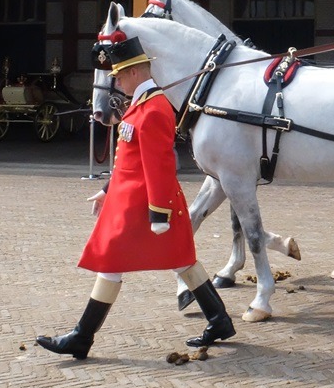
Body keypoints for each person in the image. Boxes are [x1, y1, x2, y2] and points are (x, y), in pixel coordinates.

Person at [36, 36, 235, 359]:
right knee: (181, 261)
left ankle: (82, 337)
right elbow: (130, 160)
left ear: (133, 72)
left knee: (116, 262)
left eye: (118, 75)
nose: (116, 82)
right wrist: (106, 191)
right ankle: (219, 320)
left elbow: (159, 166)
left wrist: (158, 214)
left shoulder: (153, 108)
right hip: (131, 203)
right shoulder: (143, 104)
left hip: (145, 206)